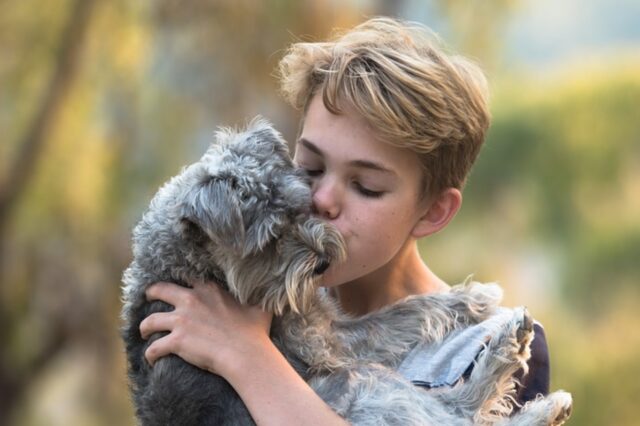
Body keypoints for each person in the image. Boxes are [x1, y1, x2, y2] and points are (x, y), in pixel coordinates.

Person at [139, 17, 549, 425]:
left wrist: (249, 358)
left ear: (433, 211)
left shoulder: (492, 347)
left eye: (366, 186)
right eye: (311, 166)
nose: (320, 199)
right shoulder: (234, 300)